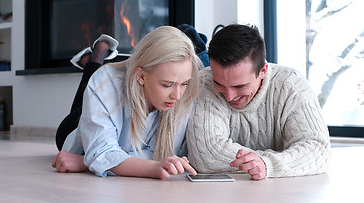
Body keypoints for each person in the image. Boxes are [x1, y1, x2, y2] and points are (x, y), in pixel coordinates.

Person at [52, 25, 202, 179]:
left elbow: (161, 153)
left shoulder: (186, 93)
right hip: (79, 129)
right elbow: (101, 152)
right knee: (88, 92)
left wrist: (88, 163)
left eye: (183, 84)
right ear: (141, 76)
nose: (177, 95)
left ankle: (93, 60)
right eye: (167, 85)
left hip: (109, 131)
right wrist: (92, 158)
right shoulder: (107, 83)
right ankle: (94, 61)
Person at [187, 23, 331, 180]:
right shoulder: (204, 82)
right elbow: (207, 156)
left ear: (263, 70)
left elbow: (318, 149)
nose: (229, 96)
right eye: (219, 84)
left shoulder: (292, 86)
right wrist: (285, 160)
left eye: (239, 86)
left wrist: (267, 164)